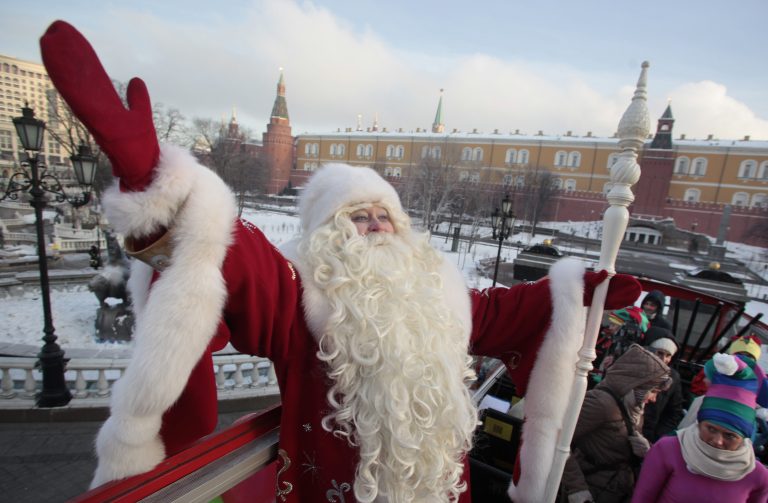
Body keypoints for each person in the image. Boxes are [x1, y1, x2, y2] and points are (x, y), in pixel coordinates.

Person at [39, 21, 641, 503]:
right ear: (330, 233)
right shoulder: (305, 292)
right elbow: (238, 263)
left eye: (384, 215)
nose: (376, 225)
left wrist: (576, 291)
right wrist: (161, 188)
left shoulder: (438, 288)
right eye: (358, 217)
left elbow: (502, 311)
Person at [632, 353, 768, 502]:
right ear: (699, 422)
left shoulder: (758, 477)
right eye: (710, 429)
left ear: (744, 437)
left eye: (729, 436)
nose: (717, 441)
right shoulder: (669, 450)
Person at [561, 345, 671, 503]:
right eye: (653, 391)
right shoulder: (601, 403)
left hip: (613, 489)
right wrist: (577, 488)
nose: (654, 399)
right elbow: (558, 440)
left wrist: (648, 451)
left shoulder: (634, 407)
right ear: (637, 385)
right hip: (591, 490)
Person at [642, 332, 684, 442]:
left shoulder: (673, 377)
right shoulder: (634, 368)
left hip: (649, 435)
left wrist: (658, 437)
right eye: (659, 353)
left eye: (668, 355)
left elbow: (674, 411)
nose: (663, 359)